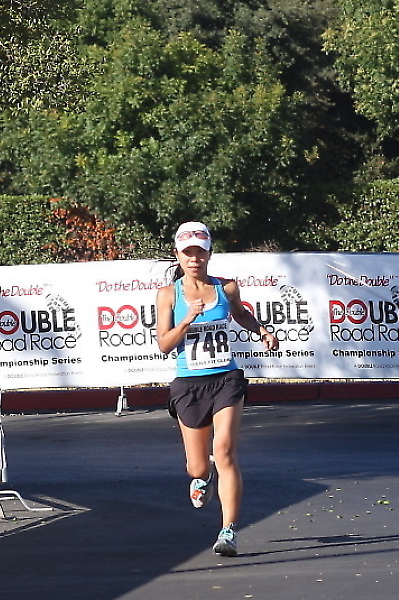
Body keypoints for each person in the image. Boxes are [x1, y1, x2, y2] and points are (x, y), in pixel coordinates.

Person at [156, 221, 278, 557]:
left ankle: (228, 531)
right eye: (188, 253)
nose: (194, 259)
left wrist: (262, 331)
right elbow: (164, 344)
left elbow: (241, 315)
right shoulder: (168, 295)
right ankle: (203, 476)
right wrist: (187, 319)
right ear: (178, 255)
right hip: (189, 384)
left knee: (224, 451)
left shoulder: (227, 288)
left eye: (200, 252)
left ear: (209, 254)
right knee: (196, 468)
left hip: (226, 379)